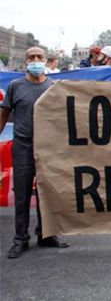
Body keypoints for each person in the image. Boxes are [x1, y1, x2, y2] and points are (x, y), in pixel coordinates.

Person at [0, 47, 69, 259]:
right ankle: (20, 239)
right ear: (26, 61)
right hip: (23, 145)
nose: (36, 61)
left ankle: (46, 234)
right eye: (32, 58)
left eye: (40, 57)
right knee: (21, 193)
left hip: (48, 147)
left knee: (47, 193)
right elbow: (4, 113)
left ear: (46, 61)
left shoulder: (53, 87)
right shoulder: (15, 86)